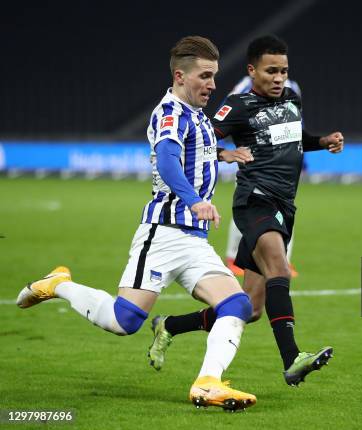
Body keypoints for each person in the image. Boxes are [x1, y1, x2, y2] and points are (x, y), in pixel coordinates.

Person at [16, 36, 256, 411]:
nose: (212, 84)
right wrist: (194, 201)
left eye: (214, 76)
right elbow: (167, 160)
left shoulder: (195, 114)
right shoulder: (170, 112)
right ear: (180, 76)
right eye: (205, 76)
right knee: (123, 320)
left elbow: (196, 153)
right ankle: (58, 285)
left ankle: (208, 384)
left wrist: (226, 155)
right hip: (163, 234)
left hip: (194, 241)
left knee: (237, 305)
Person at [148, 35, 344, 386]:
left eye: (284, 71)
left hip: (285, 205)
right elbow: (203, 139)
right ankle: (293, 358)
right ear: (253, 70)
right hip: (255, 201)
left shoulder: (292, 100)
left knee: (250, 309)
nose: (279, 77)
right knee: (279, 266)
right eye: (271, 71)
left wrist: (322, 142)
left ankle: (169, 325)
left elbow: (295, 139)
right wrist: (226, 154)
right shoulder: (238, 105)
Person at [222, 75, 302, 278]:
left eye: (283, 69)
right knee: (247, 208)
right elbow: (232, 112)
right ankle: (233, 258)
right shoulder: (245, 85)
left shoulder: (292, 88)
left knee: (285, 212)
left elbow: (295, 118)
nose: (278, 76)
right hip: (255, 163)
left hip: (282, 165)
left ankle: (282, 261)